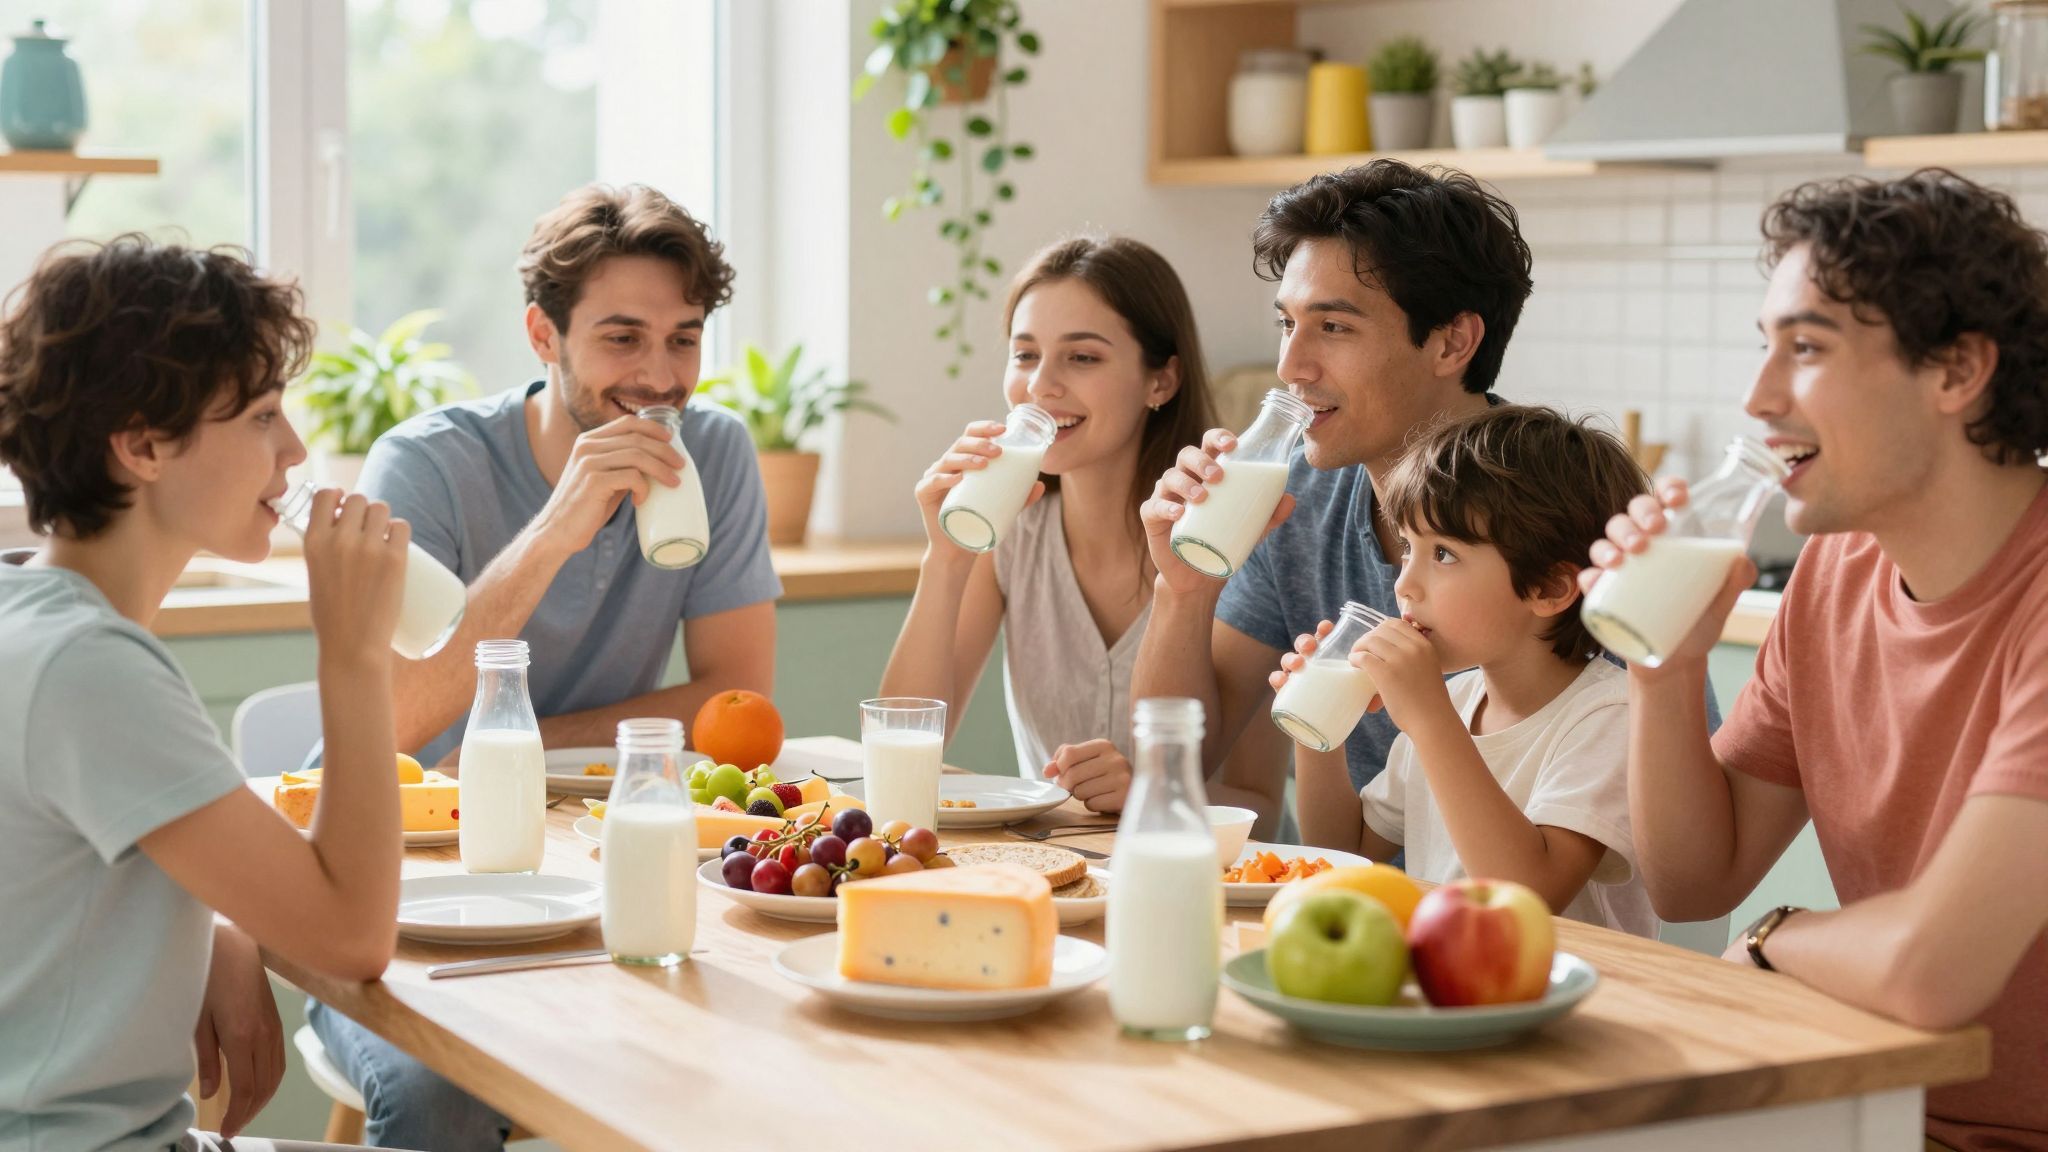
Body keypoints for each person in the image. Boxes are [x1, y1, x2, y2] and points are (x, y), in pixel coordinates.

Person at [308, 183, 781, 1150]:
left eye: (684, 339)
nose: (660, 377)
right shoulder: (426, 467)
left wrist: (518, 749)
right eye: (622, 338)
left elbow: (734, 701)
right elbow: (392, 726)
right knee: (441, 1094)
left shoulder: (716, 454)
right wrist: (556, 530)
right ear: (542, 334)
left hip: (605, 865)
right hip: (408, 882)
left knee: (770, 1038)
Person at [1584, 169, 2048, 1148]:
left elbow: (1931, 970)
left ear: (1956, 370)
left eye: (1805, 348)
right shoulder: (1835, 572)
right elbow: (1692, 883)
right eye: (1765, 346)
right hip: (1874, 1106)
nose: (1756, 397)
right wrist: (1665, 669)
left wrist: (1773, 938)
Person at [0, 236, 407, 1151]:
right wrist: (353, 655)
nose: (295, 449)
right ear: (143, 444)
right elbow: (352, 938)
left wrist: (214, 923)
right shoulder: (89, 667)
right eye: (262, 416)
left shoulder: (27, 609)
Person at [1278, 405, 1658, 935]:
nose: (1404, 584)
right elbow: (1343, 852)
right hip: (1451, 974)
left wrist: (1430, 721)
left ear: (1548, 588)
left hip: (1571, 980)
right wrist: (1318, 726)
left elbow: (1529, 895)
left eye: (1444, 555)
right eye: (1407, 547)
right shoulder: (1455, 702)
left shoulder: (1609, 717)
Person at [879, 235, 1225, 814]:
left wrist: (1151, 791)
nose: (1040, 385)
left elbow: (1261, 799)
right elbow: (900, 745)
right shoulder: (1011, 533)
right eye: (1025, 355)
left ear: (1161, 381)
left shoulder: (1219, 543)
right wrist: (945, 557)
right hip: (1051, 861)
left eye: (1082, 357)